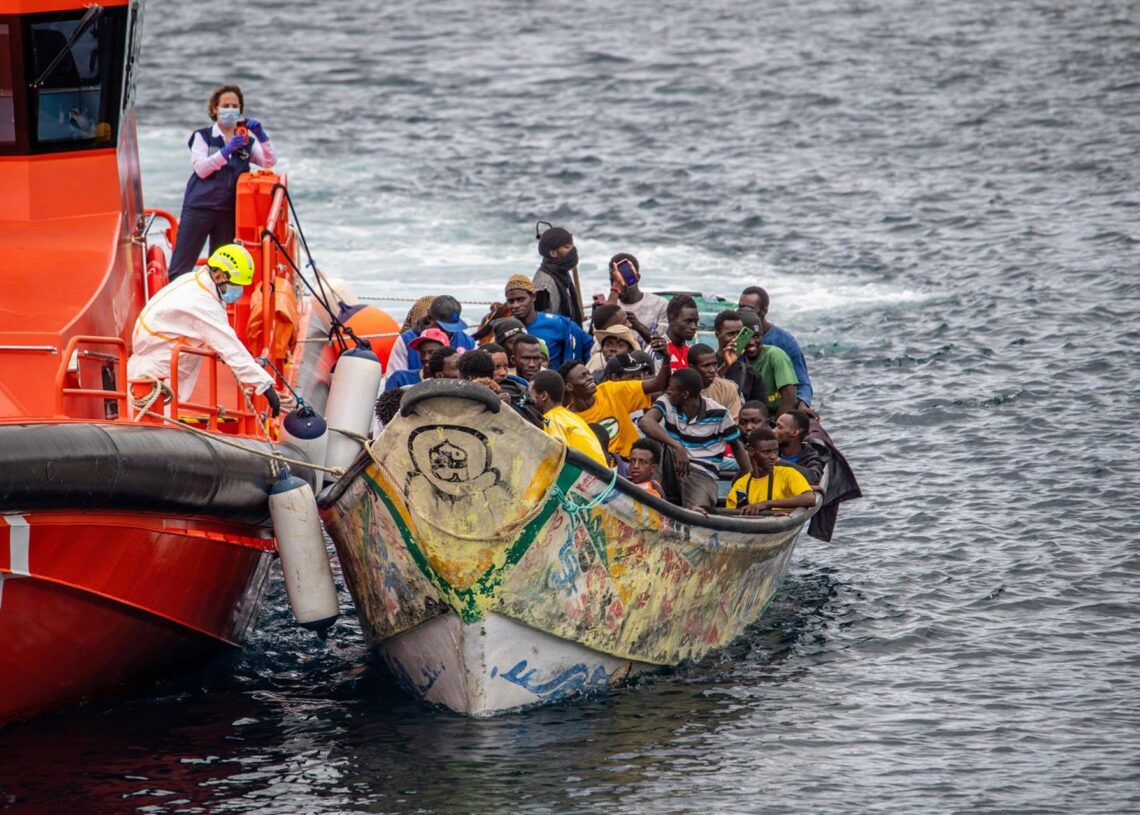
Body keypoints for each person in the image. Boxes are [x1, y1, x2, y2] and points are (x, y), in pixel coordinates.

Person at [128, 244, 281, 415]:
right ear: (218, 275)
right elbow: (229, 347)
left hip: (156, 363)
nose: (238, 291)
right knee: (154, 423)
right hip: (157, 371)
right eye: (235, 285)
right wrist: (265, 386)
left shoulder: (195, 282)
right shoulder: (201, 303)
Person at [168, 85, 277, 279]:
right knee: (181, 266)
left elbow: (269, 162)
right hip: (199, 207)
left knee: (221, 270)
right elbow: (201, 169)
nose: (230, 109)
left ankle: (215, 307)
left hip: (228, 211)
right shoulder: (202, 137)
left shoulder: (245, 142)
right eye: (225, 105)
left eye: (235, 106)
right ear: (215, 109)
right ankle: (173, 305)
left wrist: (261, 136)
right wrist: (225, 151)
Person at [639, 368, 750, 511]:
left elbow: (736, 446)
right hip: (673, 466)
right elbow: (645, 422)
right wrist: (678, 447)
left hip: (702, 472)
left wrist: (746, 477)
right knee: (654, 442)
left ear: (684, 394)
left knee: (697, 511)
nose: (667, 391)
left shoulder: (720, 413)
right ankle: (651, 495)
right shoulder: (667, 401)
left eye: (671, 389)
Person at [559, 354, 670, 461]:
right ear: (569, 386)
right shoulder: (567, 419)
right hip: (602, 472)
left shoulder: (609, 390)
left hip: (631, 463)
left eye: (588, 373)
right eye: (583, 376)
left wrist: (666, 359)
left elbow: (658, 385)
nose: (590, 378)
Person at [738, 285, 814, 411]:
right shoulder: (736, 340)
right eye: (741, 308)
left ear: (764, 311)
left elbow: (803, 383)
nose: (744, 312)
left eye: (750, 309)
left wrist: (802, 403)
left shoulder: (785, 342)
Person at [505, 275, 592, 370]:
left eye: (521, 299)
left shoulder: (558, 324)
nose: (516, 305)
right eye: (511, 301)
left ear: (533, 297)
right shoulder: (506, 330)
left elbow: (590, 347)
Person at [726, 427, 815, 516]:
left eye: (775, 451)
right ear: (751, 451)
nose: (773, 457)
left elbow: (810, 498)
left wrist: (766, 504)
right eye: (766, 452)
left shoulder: (788, 474)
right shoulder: (740, 484)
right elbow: (732, 516)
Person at [529, 370, 608, 466]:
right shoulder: (572, 417)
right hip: (599, 476)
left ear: (543, 396)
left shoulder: (550, 420)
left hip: (587, 477)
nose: (527, 399)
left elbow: (555, 460)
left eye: (529, 395)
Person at [387, 295, 476, 374]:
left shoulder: (469, 343)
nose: (447, 333)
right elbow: (394, 377)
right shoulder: (405, 341)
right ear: (429, 318)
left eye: (452, 329)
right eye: (443, 328)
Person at [739, 309, 797, 420]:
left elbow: (789, 399)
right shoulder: (734, 359)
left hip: (775, 417)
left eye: (756, 336)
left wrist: (775, 428)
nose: (751, 342)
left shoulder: (775, 356)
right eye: (746, 337)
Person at [603, 253, 669, 337]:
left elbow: (664, 343)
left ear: (637, 277)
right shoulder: (609, 307)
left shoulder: (660, 304)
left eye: (623, 279)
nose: (620, 284)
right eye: (614, 280)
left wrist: (638, 326)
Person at [532, 222, 584, 324]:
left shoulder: (562, 274)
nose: (572, 251)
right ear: (553, 253)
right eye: (567, 247)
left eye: (572, 246)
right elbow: (541, 322)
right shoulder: (544, 284)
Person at [712, 309, 766, 405]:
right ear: (717, 335)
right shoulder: (706, 366)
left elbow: (760, 410)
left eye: (739, 333)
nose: (736, 339)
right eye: (730, 334)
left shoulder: (751, 373)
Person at [774, 409, 830, 486]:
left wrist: (780, 462)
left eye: (779, 427)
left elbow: (813, 478)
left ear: (795, 432)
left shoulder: (811, 457)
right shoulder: (770, 453)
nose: (773, 431)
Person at [687, 343, 742, 421]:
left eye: (715, 364)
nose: (712, 370)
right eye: (706, 366)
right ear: (692, 367)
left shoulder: (728, 388)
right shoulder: (682, 391)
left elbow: (734, 422)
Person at [383, 327, 450, 390]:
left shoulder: (452, 380)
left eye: (432, 352)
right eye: (422, 353)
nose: (426, 357)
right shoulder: (400, 379)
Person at [664, 294, 700, 371]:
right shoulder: (658, 351)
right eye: (688, 321)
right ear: (672, 319)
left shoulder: (690, 352)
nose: (694, 327)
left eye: (695, 322)